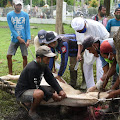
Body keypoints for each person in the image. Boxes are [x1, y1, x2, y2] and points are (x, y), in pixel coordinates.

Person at [15, 45, 66, 120]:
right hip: (22, 92)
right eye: (47, 58)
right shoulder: (32, 68)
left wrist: (60, 90)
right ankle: (31, 111)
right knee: (39, 94)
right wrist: (52, 95)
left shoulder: (43, 65)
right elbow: (36, 86)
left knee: (52, 89)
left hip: (33, 88)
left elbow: (51, 79)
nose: (49, 61)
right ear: (39, 58)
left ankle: (32, 103)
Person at [81, 36, 119, 113]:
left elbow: (115, 66)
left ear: (94, 45)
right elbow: (106, 72)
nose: (90, 52)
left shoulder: (108, 47)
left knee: (115, 86)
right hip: (117, 64)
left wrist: (97, 86)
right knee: (114, 85)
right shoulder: (100, 51)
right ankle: (113, 108)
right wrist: (100, 89)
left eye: (89, 49)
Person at [71, 17, 109, 89]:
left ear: (85, 24)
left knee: (100, 68)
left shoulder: (96, 25)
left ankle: (99, 87)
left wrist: (100, 51)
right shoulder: (77, 29)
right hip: (88, 48)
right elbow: (79, 42)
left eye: (82, 30)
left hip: (100, 47)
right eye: (79, 31)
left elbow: (106, 38)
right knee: (86, 67)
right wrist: (79, 53)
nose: (81, 31)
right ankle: (90, 88)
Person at [7, 1, 31, 75]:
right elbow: (11, 28)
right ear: (14, 5)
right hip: (14, 39)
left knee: (25, 56)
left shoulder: (25, 15)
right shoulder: (9, 15)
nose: (19, 7)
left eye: (20, 5)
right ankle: (10, 73)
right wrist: (18, 38)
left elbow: (27, 28)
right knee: (8, 56)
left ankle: (24, 74)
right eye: (17, 5)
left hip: (23, 39)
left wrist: (28, 40)